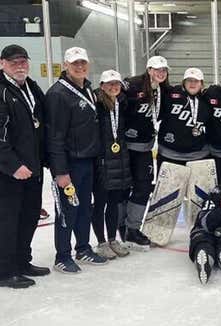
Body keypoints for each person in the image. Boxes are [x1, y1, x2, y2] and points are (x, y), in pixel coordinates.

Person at [46, 47, 107, 273]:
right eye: (74, 63)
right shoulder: (57, 94)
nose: (79, 67)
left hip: (88, 161)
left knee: (84, 209)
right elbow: (54, 136)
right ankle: (62, 255)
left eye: (83, 63)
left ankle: (82, 248)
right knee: (67, 210)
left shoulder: (88, 88)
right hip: (70, 164)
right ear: (65, 65)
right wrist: (60, 171)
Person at [0, 44, 50, 288]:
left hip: (32, 169)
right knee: (8, 222)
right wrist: (12, 165)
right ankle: (5, 271)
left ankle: (22, 261)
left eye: (23, 61)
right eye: (13, 62)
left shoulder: (30, 86)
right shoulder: (2, 91)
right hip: (9, 173)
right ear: (2, 64)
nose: (19, 66)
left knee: (28, 218)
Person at [123, 55, 171, 251]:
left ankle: (132, 229)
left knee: (143, 187)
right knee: (121, 188)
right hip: (124, 147)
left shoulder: (164, 89)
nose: (160, 73)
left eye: (164, 70)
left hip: (145, 147)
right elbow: (109, 94)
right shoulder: (133, 84)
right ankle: (116, 228)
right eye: (156, 69)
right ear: (149, 69)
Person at [91, 70, 132, 260]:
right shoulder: (96, 104)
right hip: (102, 160)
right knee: (100, 203)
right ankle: (101, 242)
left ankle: (113, 239)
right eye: (109, 84)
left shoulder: (122, 103)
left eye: (116, 84)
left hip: (119, 159)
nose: (113, 87)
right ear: (101, 86)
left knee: (114, 203)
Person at [156, 67, 209, 169]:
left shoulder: (207, 99)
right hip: (169, 155)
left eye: (196, 81)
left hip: (198, 156)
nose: (192, 84)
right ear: (183, 82)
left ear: (201, 84)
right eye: (189, 80)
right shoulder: (170, 94)